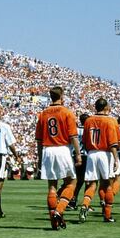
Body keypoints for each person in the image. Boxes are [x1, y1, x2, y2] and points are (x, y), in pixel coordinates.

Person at [35, 86, 82, 230]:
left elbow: (39, 140)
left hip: (48, 150)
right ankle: (59, 210)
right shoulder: (67, 112)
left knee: (52, 187)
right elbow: (73, 136)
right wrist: (78, 154)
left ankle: (53, 222)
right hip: (62, 149)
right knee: (71, 183)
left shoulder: (43, 114)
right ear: (61, 96)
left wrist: (40, 158)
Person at [78, 98, 120, 223]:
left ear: (95, 107)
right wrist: (116, 159)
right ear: (106, 107)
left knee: (92, 184)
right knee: (107, 184)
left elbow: (85, 141)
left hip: (91, 153)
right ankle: (107, 215)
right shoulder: (110, 121)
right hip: (105, 153)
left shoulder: (88, 121)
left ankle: (85, 205)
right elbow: (113, 143)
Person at [66, 113, 89, 210]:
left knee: (75, 179)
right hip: (85, 156)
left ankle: (72, 200)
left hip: (73, 155)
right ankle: (84, 202)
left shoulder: (75, 129)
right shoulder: (88, 131)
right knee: (86, 180)